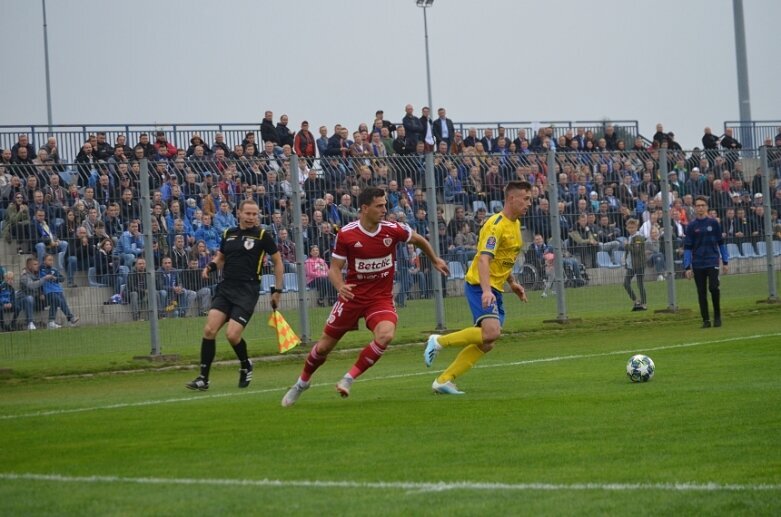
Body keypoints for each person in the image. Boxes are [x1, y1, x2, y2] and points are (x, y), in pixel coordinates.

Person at [281, 187, 449, 407]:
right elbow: (333, 269)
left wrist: (435, 259)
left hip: (380, 298)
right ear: (364, 208)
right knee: (323, 348)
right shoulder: (347, 234)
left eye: (385, 205)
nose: (384, 209)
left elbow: (418, 240)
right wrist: (340, 286)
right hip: (352, 298)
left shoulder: (393, 230)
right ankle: (302, 383)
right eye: (379, 206)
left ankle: (348, 378)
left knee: (386, 335)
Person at [423, 180, 532, 395]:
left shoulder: (516, 224)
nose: (529, 203)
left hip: (496, 287)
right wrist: (486, 291)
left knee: (487, 341)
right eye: (526, 199)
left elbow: (501, 259)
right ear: (511, 198)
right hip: (479, 285)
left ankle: (444, 380)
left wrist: (513, 283)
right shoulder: (495, 225)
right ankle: (438, 340)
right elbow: (483, 260)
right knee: (491, 332)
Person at [186, 199, 284, 391]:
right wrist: (210, 266)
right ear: (239, 213)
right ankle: (203, 379)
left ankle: (246, 364)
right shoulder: (228, 233)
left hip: (247, 291)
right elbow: (221, 258)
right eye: (247, 213)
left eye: (255, 214)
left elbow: (278, 262)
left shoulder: (262, 235)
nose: (251, 217)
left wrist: (277, 290)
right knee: (209, 330)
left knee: (232, 335)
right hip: (226, 288)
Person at [683, 196, 730, 328]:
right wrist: (687, 267)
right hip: (698, 263)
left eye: (703, 205)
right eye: (698, 205)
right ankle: (706, 320)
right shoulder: (691, 226)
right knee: (701, 292)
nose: (700, 208)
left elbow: (721, 243)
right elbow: (687, 248)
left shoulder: (714, 223)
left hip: (712, 260)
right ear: (695, 208)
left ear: (707, 207)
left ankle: (717, 317)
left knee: (714, 288)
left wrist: (725, 261)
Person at [623, 219, 648, 311]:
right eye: (629, 227)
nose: (631, 229)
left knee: (640, 284)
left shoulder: (638, 237)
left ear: (636, 227)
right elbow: (629, 253)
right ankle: (636, 300)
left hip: (639, 264)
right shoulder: (630, 237)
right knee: (626, 283)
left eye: (632, 227)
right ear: (626, 228)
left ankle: (644, 303)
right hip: (631, 265)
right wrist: (626, 262)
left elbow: (636, 251)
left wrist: (626, 246)